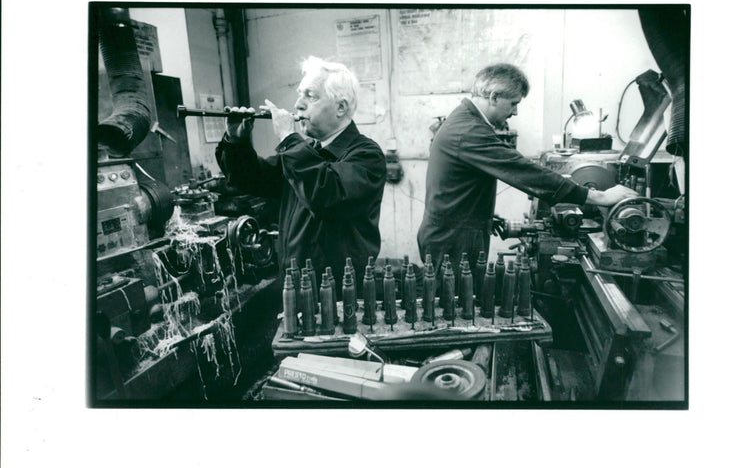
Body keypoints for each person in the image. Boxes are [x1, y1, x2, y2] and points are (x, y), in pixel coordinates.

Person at [417, 63, 638, 275]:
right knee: (457, 307)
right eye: (513, 103)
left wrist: (480, 216)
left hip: (454, 234)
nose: (515, 112)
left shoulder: (467, 121)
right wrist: (599, 196)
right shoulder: (469, 131)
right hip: (453, 242)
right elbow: (524, 172)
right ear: (494, 97)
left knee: (461, 304)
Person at [216, 56, 387, 293]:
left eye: (311, 96)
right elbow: (253, 179)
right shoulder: (308, 151)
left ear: (341, 107)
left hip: (339, 291)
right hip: (296, 284)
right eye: (300, 94)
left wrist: (288, 139)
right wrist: (236, 142)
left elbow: (327, 195)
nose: (298, 104)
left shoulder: (366, 155)